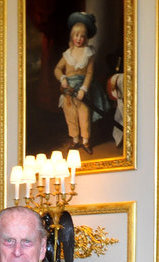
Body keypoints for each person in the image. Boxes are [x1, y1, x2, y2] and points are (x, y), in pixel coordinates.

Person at [53, 11, 106, 155]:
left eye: (82, 36)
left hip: (81, 91)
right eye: (77, 35)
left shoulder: (88, 53)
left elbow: (89, 73)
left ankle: (85, 141)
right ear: (72, 35)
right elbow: (57, 69)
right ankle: (75, 139)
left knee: (84, 116)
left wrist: (83, 89)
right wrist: (63, 78)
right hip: (68, 91)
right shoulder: (67, 54)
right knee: (70, 115)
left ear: (86, 38)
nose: (79, 39)